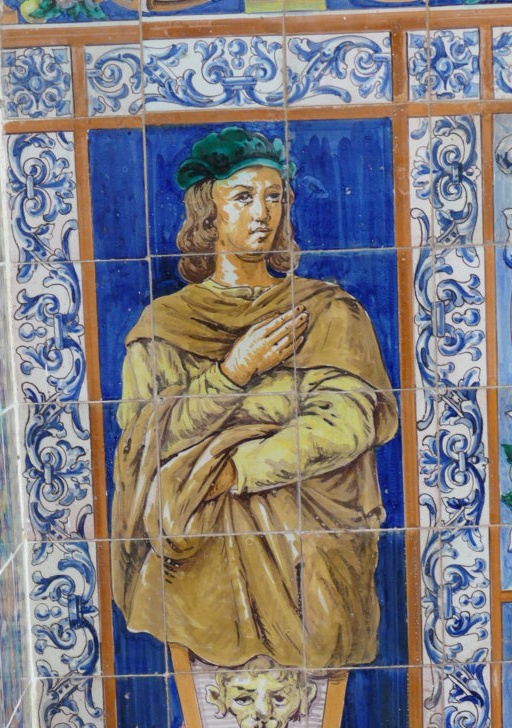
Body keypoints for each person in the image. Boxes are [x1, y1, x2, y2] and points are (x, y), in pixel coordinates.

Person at [111, 126, 398, 670]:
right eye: (242, 197)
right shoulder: (165, 326)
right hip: (196, 560)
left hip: (313, 553)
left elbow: (347, 422)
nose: (262, 214)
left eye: (274, 197)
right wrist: (234, 372)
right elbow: (146, 437)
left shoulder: (328, 311)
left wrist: (233, 469)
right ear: (209, 214)